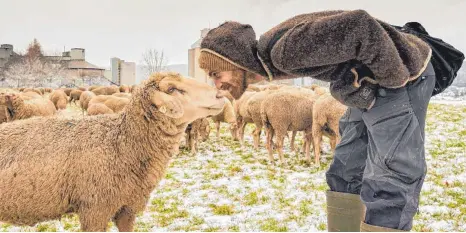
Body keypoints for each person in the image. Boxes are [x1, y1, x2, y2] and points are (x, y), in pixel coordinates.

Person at [197, 9, 436, 232]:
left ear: (234, 62)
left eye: (217, 74)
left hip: (401, 75)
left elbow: (360, 25)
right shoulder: (274, 56)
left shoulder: (284, 52)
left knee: (391, 173)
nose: (217, 84)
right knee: (346, 168)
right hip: (368, 85)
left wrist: (392, 83)